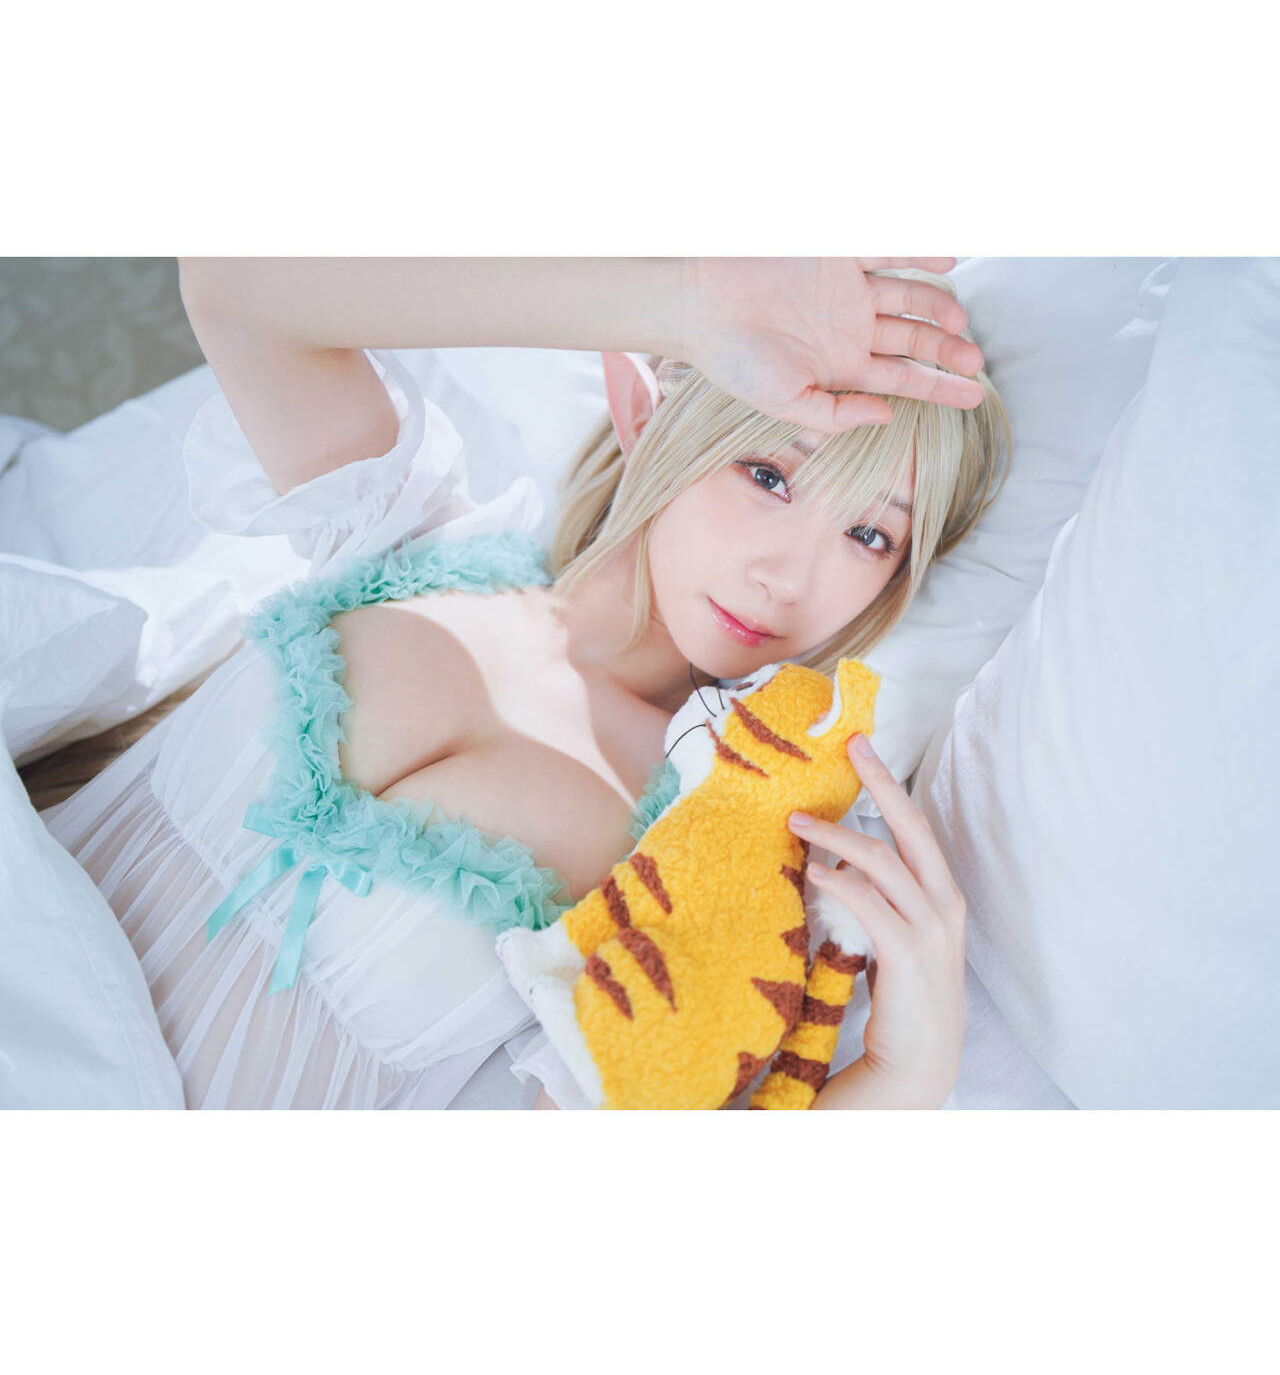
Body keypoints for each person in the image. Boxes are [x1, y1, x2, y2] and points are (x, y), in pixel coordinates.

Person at [43, 258, 1006, 1111]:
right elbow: (235, 285)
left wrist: (900, 1082)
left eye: (870, 534)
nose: (785, 576)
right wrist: (686, 302)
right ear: (645, 413)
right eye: (768, 475)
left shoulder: (710, 851)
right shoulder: (404, 532)